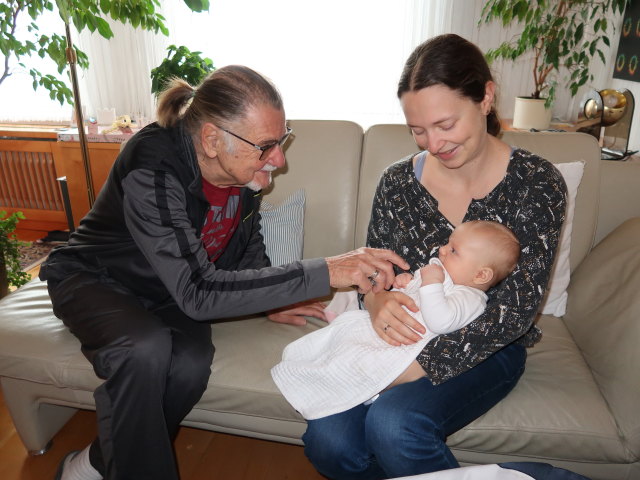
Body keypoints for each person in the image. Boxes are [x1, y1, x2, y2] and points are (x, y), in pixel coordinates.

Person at [40, 65, 409, 480]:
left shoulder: (242, 173)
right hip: (95, 278)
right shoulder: (154, 165)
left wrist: (273, 298)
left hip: (165, 287)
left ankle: (94, 463)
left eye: (282, 139)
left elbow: (243, 244)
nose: (280, 158)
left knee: (191, 363)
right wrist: (327, 270)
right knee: (144, 349)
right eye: (267, 145)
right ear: (212, 139)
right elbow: (197, 293)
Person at [302, 33, 567, 479]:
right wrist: (376, 301)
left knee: (394, 424)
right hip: (395, 338)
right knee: (328, 441)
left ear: (485, 97)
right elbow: (375, 275)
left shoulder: (537, 184)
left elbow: (516, 311)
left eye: (445, 125)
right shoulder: (397, 184)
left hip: (490, 346)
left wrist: (420, 367)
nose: (433, 144)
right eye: (418, 130)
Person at [272, 220, 520, 420]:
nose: (442, 250)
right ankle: (316, 367)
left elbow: (440, 321)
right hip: (388, 326)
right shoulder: (444, 276)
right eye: (447, 243)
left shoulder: (471, 298)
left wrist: (430, 284)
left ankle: (362, 388)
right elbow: (413, 298)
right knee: (343, 333)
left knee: (364, 360)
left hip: (407, 345)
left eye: (453, 251)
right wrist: (407, 284)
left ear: (481, 275)